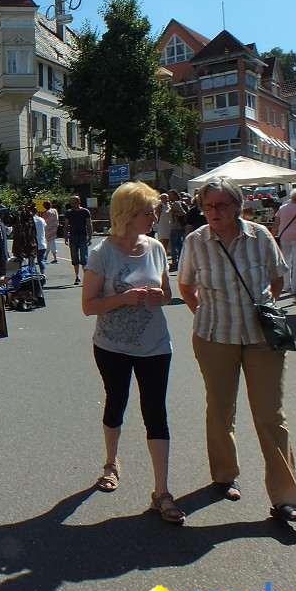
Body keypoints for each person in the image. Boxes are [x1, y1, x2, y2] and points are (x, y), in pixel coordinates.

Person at [177, 177, 296, 523]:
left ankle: (285, 498)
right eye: (207, 206)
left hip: (261, 340)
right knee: (220, 408)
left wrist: (262, 311)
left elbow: (277, 279)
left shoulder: (259, 236)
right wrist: (205, 314)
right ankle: (224, 475)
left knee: (270, 414)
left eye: (220, 205)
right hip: (215, 337)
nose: (213, 213)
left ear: (238, 206)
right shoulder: (195, 241)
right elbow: (186, 286)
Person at [81, 182, 182, 524]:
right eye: (148, 212)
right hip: (112, 346)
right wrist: (124, 298)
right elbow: (88, 306)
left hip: (155, 344)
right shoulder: (102, 253)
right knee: (117, 401)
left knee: (155, 411)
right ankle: (111, 463)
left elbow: (167, 294)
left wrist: (158, 297)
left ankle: (162, 491)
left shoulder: (155, 248)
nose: (155, 217)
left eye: (154, 211)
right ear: (128, 215)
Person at [273, 188, 296, 295]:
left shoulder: (282, 208)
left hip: (284, 237)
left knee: (286, 261)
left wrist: (271, 237)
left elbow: (276, 224)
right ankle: (295, 288)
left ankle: (286, 285)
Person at [63, 195, 94, 285]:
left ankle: (86, 278)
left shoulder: (85, 211)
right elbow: (66, 225)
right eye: (71, 203)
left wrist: (90, 237)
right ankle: (77, 277)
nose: (73, 205)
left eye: (75, 203)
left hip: (83, 236)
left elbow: (89, 224)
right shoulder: (69, 212)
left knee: (84, 258)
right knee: (74, 258)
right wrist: (66, 237)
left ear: (79, 202)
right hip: (72, 236)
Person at [167, 190, 187, 270]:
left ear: (175, 195)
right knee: (179, 246)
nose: (169, 197)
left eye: (171, 195)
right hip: (178, 228)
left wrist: (173, 213)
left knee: (174, 247)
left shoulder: (176, 203)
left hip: (175, 228)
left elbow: (183, 213)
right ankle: (180, 262)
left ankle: (175, 263)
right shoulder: (176, 203)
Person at [32, 205, 47, 275]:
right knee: (41, 260)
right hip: (42, 242)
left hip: (33, 243)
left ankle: (34, 274)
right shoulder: (41, 219)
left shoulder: (31, 220)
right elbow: (45, 227)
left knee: (32, 260)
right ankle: (43, 274)